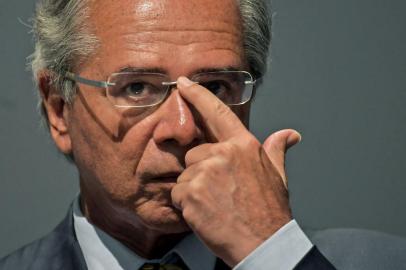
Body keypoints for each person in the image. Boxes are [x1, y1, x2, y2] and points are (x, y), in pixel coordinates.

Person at [0, 0, 336, 269]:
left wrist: (274, 255)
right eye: (136, 88)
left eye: (214, 87)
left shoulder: (380, 259)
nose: (183, 129)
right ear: (59, 109)